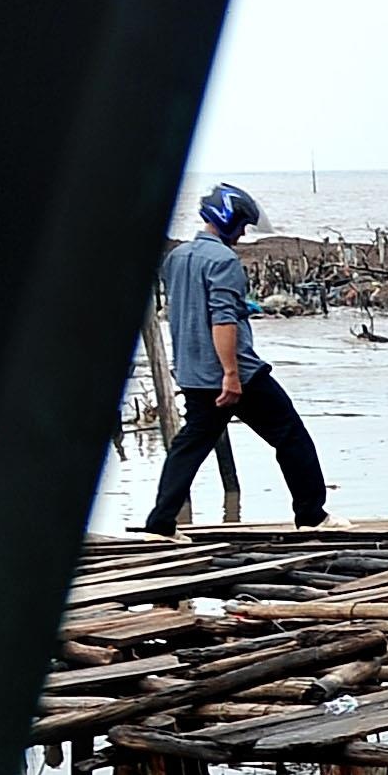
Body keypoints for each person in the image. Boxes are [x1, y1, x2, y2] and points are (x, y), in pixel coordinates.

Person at [141, 183, 328, 534]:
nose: (243, 234)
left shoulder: (177, 258)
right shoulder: (224, 260)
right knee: (290, 435)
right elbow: (222, 319)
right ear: (227, 220)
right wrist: (231, 374)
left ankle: (160, 523)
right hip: (235, 373)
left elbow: (187, 312)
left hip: (193, 372)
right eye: (241, 225)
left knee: (190, 445)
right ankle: (312, 516)